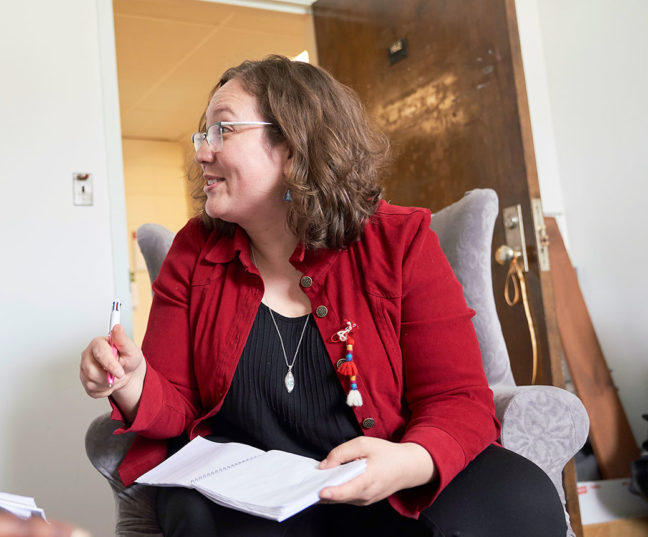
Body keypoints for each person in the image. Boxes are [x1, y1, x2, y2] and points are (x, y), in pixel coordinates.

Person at [79, 56, 566, 536]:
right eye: (202, 135)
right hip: (252, 494)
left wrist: (409, 461)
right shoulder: (193, 252)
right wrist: (132, 378)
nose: (202, 152)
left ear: (292, 144)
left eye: (222, 131)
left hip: (383, 469)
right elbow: (179, 407)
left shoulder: (400, 241)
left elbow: (456, 398)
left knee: (520, 496)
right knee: (193, 511)